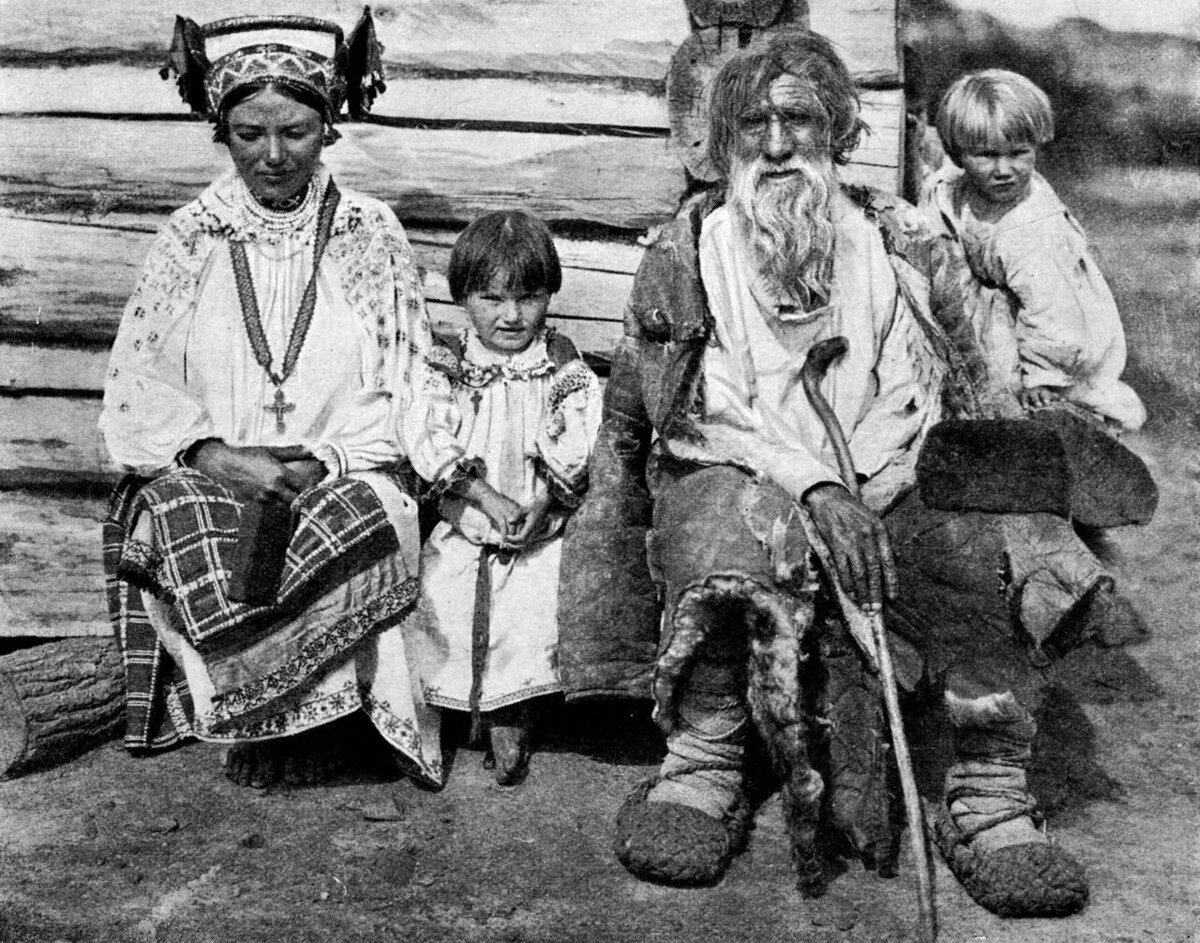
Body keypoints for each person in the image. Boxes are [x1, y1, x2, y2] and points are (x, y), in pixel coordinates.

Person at [558, 29, 1148, 918]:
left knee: (987, 538)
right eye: (753, 124)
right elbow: (707, 405)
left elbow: (920, 384)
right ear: (726, 140)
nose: (777, 144)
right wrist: (816, 488)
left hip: (884, 467)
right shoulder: (694, 251)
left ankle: (988, 794)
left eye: (799, 119)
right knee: (713, 530)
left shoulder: (892, 240)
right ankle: (706, 762)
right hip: (745, 466)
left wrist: (867, 486)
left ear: (836, 129)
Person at [100, 10, 444, 790]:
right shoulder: (192, 235)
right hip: (221, 465)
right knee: (174, 510)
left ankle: (334, 723)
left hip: (343, 466)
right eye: (249, 133)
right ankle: (251, 716)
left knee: (362, 515)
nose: (274, 155)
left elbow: (409, 375)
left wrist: (327, 459)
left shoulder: (367, 232)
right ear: (222, 133)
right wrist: (214, 453)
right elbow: (134, 383)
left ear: (329, 129)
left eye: (295, 131)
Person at [403, 210, 602, 785]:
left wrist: (547, 502)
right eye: (491, 298)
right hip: (466, 525)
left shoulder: (560, 364)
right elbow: (426, 433)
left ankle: (512, 714)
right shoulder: (448, 363)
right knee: (438, 600)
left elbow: (582, 435)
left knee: (533, 610)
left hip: (540, 531)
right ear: (462, 297)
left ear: (549, 295)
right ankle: (435, 715)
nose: (511, 316)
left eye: (528, 298)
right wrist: (486, 498)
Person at [921, 69, 1145, 430]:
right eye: (986, 155)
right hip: (991, 318)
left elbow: (1053, 309)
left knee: (1031, 414)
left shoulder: (1034, 227)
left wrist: (1042, 376)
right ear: (959, 155)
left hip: (1045, 328)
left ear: (1035, 147)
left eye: (1019, 153)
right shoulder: (953, 190)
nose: (1004, 169)